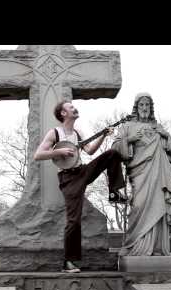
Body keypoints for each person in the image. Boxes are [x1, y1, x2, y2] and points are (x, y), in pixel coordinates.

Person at [34, 100, 127, 273]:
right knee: (73, 220)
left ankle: (114, 192)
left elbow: (90, 151)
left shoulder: (78, 132)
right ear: (63, 113)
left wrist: (103, 135)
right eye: (71, 107)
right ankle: (68, 262)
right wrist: (58, 151)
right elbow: (38, 155)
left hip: (82, 171)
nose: (75, 108)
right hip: (68, 179)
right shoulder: (55, 133)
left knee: (112, 154)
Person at [112, 92, 171, 256]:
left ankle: (157, 248)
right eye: (141, 104)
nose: (144, 108)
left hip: (159, 173)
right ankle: (135, 245)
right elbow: (115, 147)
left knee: (159, 206)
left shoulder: (158, 127)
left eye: (147, 105)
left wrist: (166, 136)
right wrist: (130, 139)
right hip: (139, 173)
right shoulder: (127, 127)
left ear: (151, 107)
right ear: (136, 107)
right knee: (139, 205)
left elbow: (170, 150)